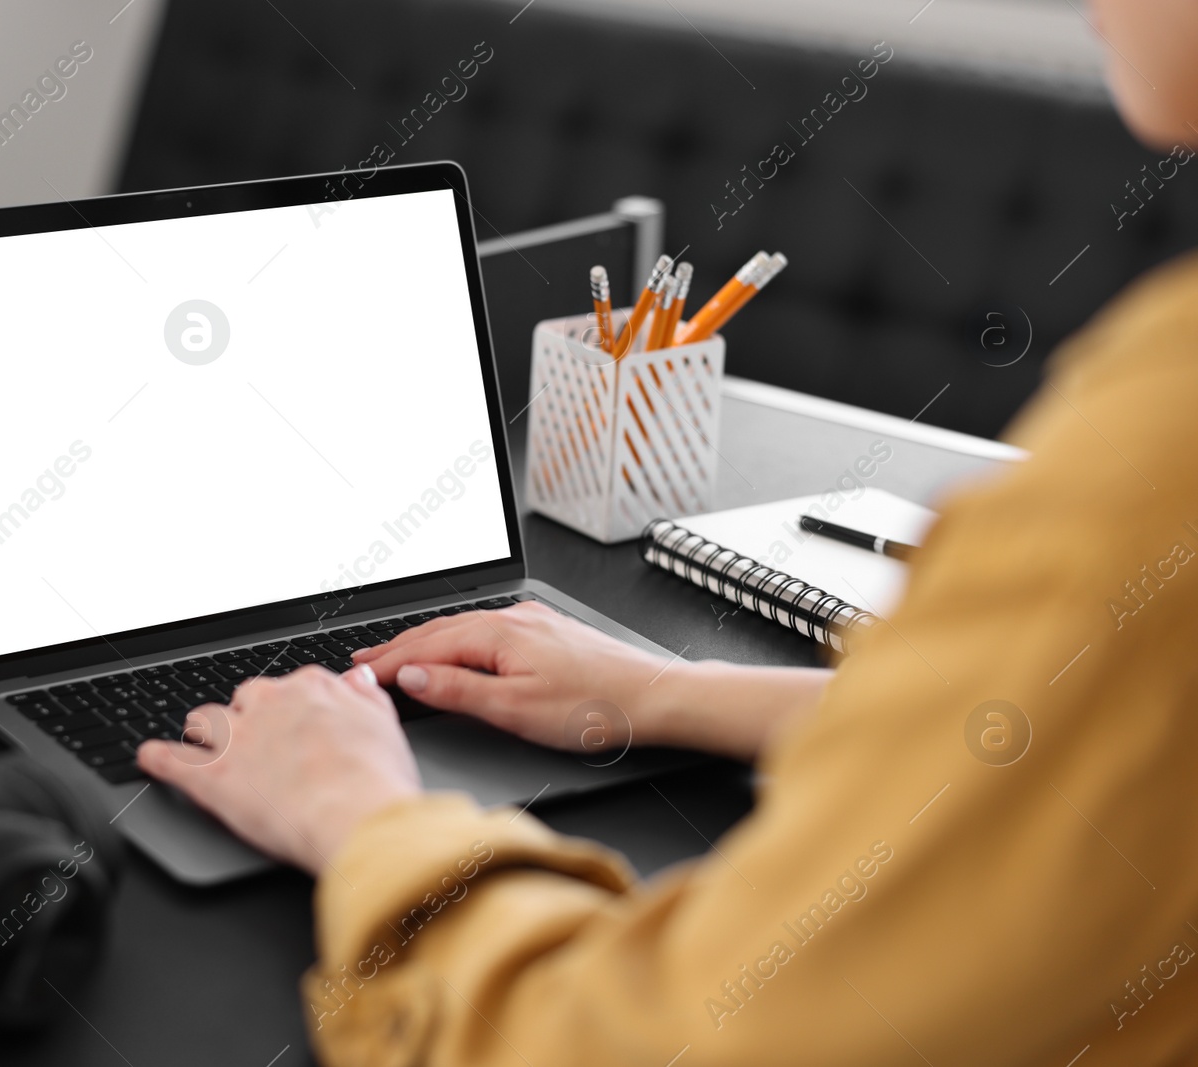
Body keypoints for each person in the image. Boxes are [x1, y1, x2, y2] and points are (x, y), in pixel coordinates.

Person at [137, 0, 1198, 1059]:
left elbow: (646, 1040)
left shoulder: (1156, 455)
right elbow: (1058, 732)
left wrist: (359, 815)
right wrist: (667, 692)